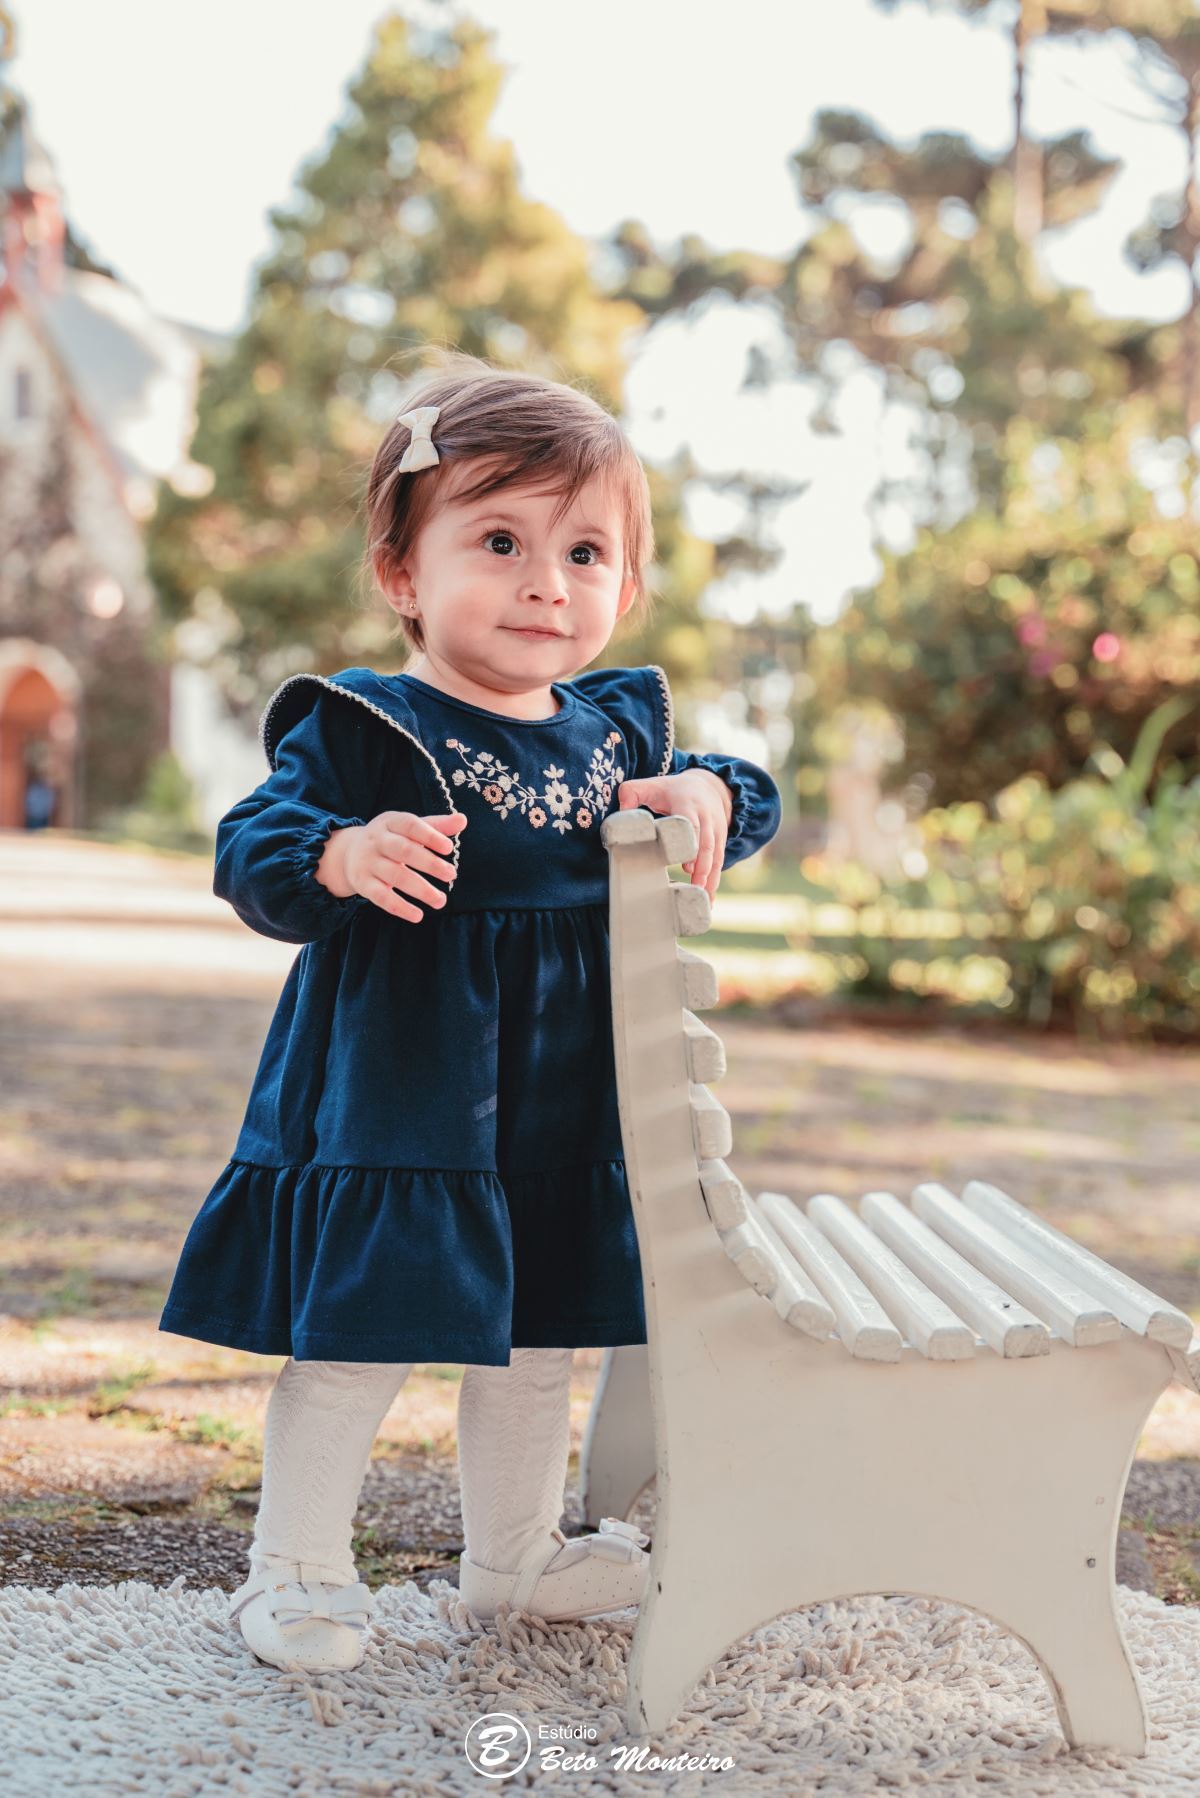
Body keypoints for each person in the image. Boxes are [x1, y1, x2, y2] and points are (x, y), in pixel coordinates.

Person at [158, 354, 783, 1674]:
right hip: (400, 1097)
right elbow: (251, 843)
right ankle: (298, 1564)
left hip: (559, 1106)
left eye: (586, 550)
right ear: (402, 571)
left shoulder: (622, 732)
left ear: (627, 581)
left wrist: (719, 792)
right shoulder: (368, 724)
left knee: (535, 1334)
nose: (546, 581)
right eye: (499, 540)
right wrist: (340, 853)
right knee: (358, 1339)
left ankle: (514, 1557)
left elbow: (743, 790)